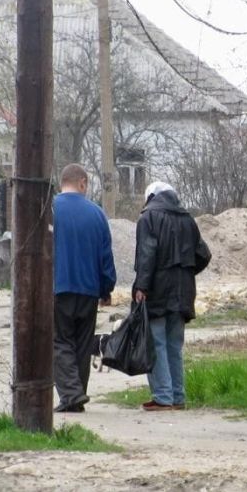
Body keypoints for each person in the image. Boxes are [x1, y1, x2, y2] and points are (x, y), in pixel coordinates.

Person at [133, 181, 211, 411]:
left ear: (151, 197)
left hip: (157, 291)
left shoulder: (148, 217)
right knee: (174, 345)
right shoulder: (187, 219)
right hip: (183, 291)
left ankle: (163, 397)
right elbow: (204, 254)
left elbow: (147, 255)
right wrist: (185, 272)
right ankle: (178, 396)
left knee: (156, 343)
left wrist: (141, 287)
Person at [53, 163, 116, 413]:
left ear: (62, 183)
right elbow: (105, 256)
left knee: (59, 341)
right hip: (89, 291)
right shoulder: (97, 214)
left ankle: (72, 394)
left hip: (59, 287)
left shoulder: (50, 209)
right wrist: (106, 289)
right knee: (82, 343)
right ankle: (77, 396)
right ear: (82, 183)